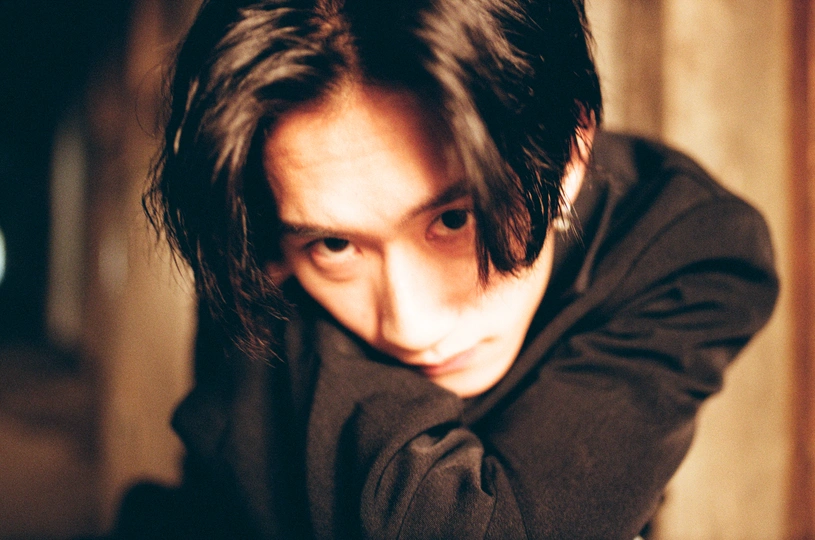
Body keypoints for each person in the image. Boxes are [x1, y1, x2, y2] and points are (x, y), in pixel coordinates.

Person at [114, 0, 778, 537]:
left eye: (454, 220)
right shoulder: (256, 220)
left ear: (571, 155)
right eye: (335, 245)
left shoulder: (689, 248)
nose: (411, 326)